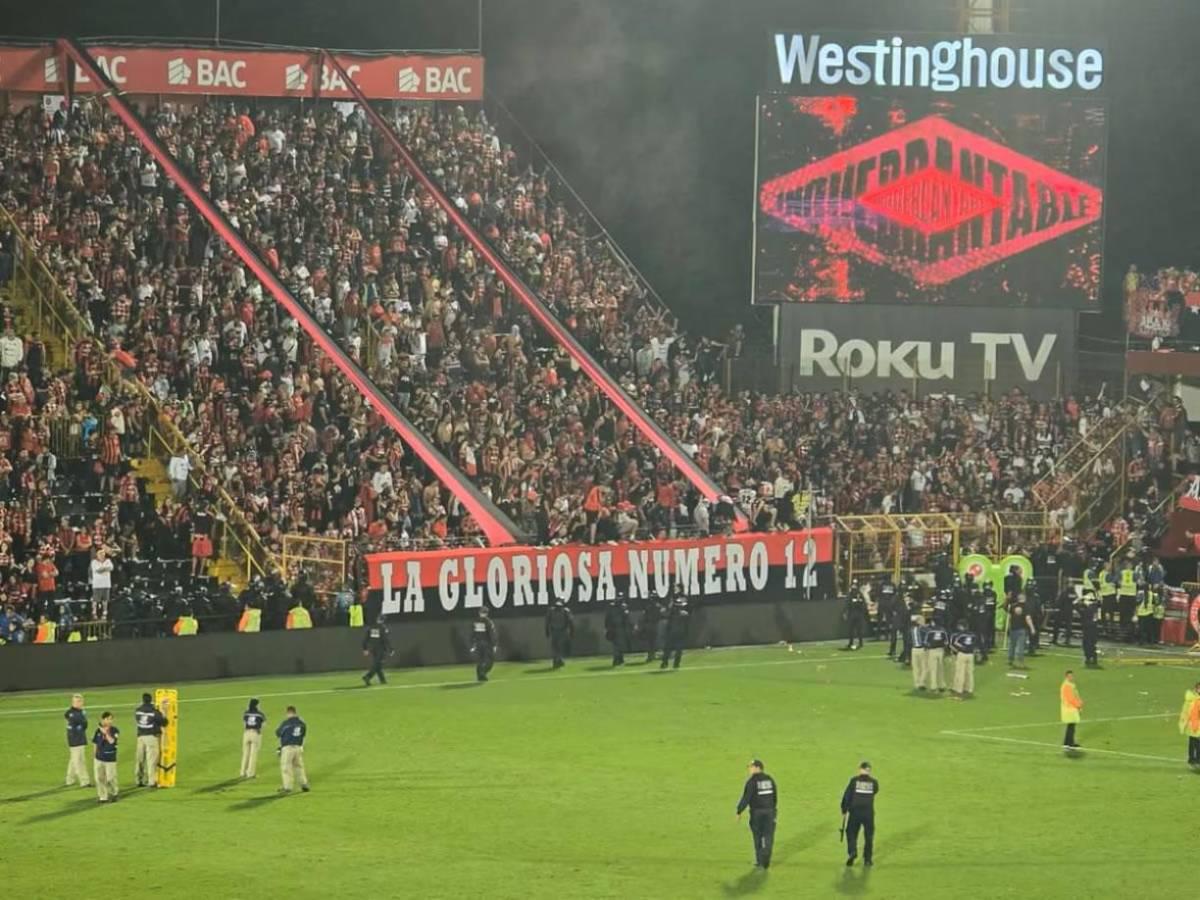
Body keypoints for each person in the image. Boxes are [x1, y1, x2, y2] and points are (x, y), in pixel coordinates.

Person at [735, 759, 778, 870]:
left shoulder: (752, 782)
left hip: (757, 813)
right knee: (768, 836)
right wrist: (772, 809)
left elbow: (746, 798)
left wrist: (739, 811)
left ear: (758, 768)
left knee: (757, 837)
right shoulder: (769, 780)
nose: (749, 769)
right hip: (770, 812)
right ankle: (765, 861)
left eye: (751, 767)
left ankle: (760, 861)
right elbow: (774, 796)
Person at [840, 762, 879, 867]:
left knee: (851, 832)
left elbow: (847, 795)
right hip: (868, 813)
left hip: (855, 812)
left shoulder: (854, 781)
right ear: (869, 771)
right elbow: (875, 791)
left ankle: (852, 852)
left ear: (860, 770)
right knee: (868, 836)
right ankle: (867, 860)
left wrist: (844, 809)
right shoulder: (874, 783)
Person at [133, 692, 167, 788]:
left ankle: (138, 779)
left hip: (140, 737)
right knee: (151, 760)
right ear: (151, 700)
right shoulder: (154, 712)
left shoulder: (138, 710)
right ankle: (151, 781)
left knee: (140, 759)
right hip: (151, 737)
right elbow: (164, 723)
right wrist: (163, 711)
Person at [276, 705, 310, 793]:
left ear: (288, 713)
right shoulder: (302, 723)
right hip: (298, 747)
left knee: (286, 767)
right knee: (299, 766)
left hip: (288, 748)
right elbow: (303, 735)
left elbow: (278, 733)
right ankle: (304, 784)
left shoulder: (286, 723)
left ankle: (287, 787)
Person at [64, 693, 91, 788]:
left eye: (81, 701)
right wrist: (82, 724)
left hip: (79, 738)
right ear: (73, 702)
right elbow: (83, 724)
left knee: (73, 760)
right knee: (79, 761)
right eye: (78, 701)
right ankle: (84, 781)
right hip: (75, 739)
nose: (80, 703)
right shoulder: (74, 714)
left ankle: (69, 779)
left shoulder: (77, 712)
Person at [92, 711, 120, 803]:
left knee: (111, 778)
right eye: (107, 719)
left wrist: (106, 733)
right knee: (99, 778)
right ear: (103, 720)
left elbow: (112, 741)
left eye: (111, 719)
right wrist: (94, 755)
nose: (110, 721)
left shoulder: (115, 730)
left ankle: (114, 793)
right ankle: (103, 797)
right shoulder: (98, 731)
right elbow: (95, 743)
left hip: (110, 759)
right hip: (99, 758)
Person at [949, 621, 978, 699]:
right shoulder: (973, 635)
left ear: (961, 626)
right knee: (969, 673)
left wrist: (961, 649)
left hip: (962, 654)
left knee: (960, 673)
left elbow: (954, 643)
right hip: (971, 655)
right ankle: (969, 689)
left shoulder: (960, 635)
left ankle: (959, 691)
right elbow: (975, 645)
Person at [661, 594, 691, 670]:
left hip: (674, 634)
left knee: (669, 649)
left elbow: (664, 614)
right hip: (677, 633)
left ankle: (666, 663)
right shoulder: (682, 614)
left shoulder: (676, 614)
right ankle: (673, 664)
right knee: (675, 650)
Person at [361, 616, 393, 686]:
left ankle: (383, 680)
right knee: (378, 665)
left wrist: (365, 648)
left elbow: (365, 639)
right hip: (380, 649)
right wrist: (390, 649)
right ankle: (367, 677)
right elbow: (385, 639)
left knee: (378, 665)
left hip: (373, 649)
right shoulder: (382, 628)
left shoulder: (371, 627)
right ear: (383, 620)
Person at [1007, 595, 1035, 669]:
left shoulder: (1013, 606)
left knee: (1012, 645)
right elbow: (1028, 618)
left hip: (1013, 628)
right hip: (1021, 629)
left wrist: (1009, 627)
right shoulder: (1026, 606)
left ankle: (1010, 660)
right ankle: (1020, 662)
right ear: (1024, 599)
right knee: (1021, 646)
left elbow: (1010, 618)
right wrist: (1032, 628)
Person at [604, 595, 633, 667]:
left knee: (619, 645)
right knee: (617, 645)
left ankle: (619, 659)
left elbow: (626, 618)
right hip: (615, 628)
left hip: (620, 628)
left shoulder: (622, 607)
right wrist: (608, 628)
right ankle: (617, 659)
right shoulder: (612, 608)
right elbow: (607, 618)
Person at [241, 698, 266, 778]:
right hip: (255, 733)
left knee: (245, 753)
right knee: (253, 754)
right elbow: (263, 725)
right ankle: (250, 773)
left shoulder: (246, 713)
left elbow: (244, 724)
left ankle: (242, 772)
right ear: (257, 705)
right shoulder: (260, 714)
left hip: (246, 733)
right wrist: (259, 732)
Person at [545, 600, 574, 669]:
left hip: (563, 630)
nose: (558, 608)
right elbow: (547, 621)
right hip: (554, 630)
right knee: (555, 646)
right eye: (557, 606)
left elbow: (570, 621)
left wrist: (572, 631)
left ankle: (558, 659)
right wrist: (547, 630)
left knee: (560, 646)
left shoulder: (566, 611)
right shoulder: (551, 611)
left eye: (559, 606)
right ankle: (557, 660)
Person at [471, 608, 498, 682]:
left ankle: (480, 675)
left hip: (478, 643)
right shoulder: (488, 622)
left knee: (480, 660)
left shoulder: (475, 621)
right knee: (490, 661)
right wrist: (494, 644)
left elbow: (473, 634)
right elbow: (492, 633)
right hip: (487, 643)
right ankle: (482, 673)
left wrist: (473, 644)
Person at [1178, 681, 1200, 767]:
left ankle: (1193, 759)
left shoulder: (1192, 699)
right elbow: (1186, 711)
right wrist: (1183, 723)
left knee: (1194, 742)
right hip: (1193, 725)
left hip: (1196, 725)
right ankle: (1195, 759)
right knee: (1195, 742)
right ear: (1195, 689)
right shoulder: (1192, 700)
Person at [1060, 670, 1083, 750]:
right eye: (1069, 676)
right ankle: (1069, 744)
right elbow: (1071, 698)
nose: (1071, 677)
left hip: (1070, 708)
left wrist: (1079, 703)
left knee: (1071, 726)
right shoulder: (1067, 686)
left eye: (1072, 676)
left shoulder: (1070, 684)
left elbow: (1075, 695)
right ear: (1066, 677)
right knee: (1071, 726)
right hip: (1069, 708)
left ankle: (1068, 743)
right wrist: (1079, 705)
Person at [923, 618, 948, 692]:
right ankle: (942, 685)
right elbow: (946, 642)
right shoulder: (943, 631)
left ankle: (933, 686)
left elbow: (925, 642)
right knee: (941, 669)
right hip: (941, 651)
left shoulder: (930, 631)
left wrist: (927, 647)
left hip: (932, 651)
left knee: (933, 669)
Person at [641, 594, 667, 662]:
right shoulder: (657, 606)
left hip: (652, 625)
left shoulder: (648, 606)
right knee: (654, 641)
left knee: (652, 641)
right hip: (655, 625)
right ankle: (653, 655)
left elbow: (645, 616)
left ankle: (651, 655)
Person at [1079, 591, 1101, 668]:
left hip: (1091, 629)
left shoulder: (1092, 608)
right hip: (1089, 628)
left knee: (1089, 644)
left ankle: (1091, 658)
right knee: (1088, 644)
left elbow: (1094, 620)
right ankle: (1090, 658)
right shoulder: (1089, 608)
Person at [843, 584, 867, 651]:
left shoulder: (850, 594)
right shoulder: (860, 594)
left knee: (852, 629)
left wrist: (845, 612)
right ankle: (860, 642)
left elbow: (847, 604)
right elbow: (864, 604)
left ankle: (851, 643)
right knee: (859, 629)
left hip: (853, 614)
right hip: (858, 614)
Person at [909, 616, 927, 690]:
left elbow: (908, 641)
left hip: (914, 650)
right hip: (922, 649)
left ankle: (916, 683)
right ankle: (921, 682)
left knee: (916, 668)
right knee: (924, 667)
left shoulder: (910, 630)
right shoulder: (923, 630)